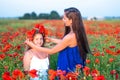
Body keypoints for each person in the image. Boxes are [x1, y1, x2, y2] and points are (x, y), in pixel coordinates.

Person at [25, 7, 91, 74]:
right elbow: (65, 43)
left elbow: (51, 51)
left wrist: (33, 45)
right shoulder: (76, 33)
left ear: (71, 20)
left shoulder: (70, 36)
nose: (63, 20)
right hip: (74, 66)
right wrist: (51, 40)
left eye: (64, 18)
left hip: (68, 69)